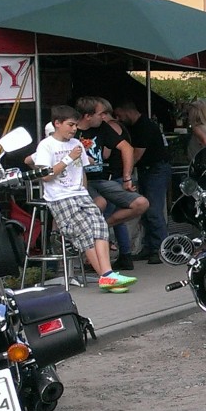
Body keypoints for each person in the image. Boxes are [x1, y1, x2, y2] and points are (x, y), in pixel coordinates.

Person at [30, 106, 136, 293]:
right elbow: (45, 176)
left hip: (79, 193)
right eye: (70, 125)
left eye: (75, 125)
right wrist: (68, 159)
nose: (74, 129)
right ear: (57, 123)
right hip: (60, 197)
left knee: (100, 226)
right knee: (85, 232)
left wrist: (84, 191)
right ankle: (106, 276)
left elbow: (81, 172)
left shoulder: (76, 143)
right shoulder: (46, 145)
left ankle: (108, 275)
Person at [76, 96, 149, 272]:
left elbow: (127, 148)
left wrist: (127, 177)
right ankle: (91, 252)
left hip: (102, 179)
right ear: (87, 116)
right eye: (101, 114)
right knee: (100, 203)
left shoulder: (103, 127)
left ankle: (102, 227)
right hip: (80, 180)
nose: (105, 117)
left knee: (141, 203)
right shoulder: (71, 130)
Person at [114, 99, 171, 264]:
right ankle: (149, 246)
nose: (118, 119)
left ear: (127, 111)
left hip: (156, 169)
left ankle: (160, 249)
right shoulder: (137, 126)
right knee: (145, 211)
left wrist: (125, 171)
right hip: (148, 169)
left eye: (119, 115)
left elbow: (136, 155)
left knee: (153, 209)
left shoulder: (145, 126)